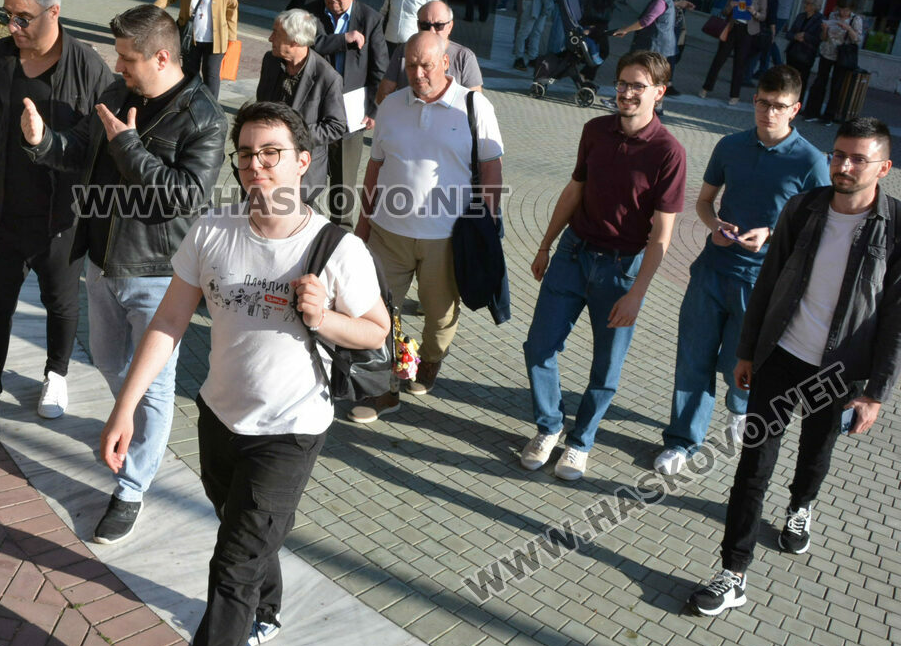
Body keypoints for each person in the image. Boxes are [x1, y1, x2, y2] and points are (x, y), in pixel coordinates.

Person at [99, 101, 389, 646]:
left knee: (232, 564)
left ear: (303, 161)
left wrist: (324, 318)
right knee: (244, 530)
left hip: (290, 429)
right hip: (219, 416)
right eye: (247, 154)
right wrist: (125, 408)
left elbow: (378, 330)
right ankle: (268, 609)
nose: (257, 165)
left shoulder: (337, 249)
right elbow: (168, 321)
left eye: (272, 153)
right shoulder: (212, 230)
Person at [22, 4, 226, 545]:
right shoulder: (118, 94)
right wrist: (42, 141)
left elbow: (182, 197)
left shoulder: (204, 117)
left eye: (128, 58)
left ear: (161, 58)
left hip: (159, 273)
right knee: (110, 362)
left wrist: (127, 145)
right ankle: (127, 419)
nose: (118, 67)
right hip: (101, 261)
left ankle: (131, 488)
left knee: (153, 385)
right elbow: (81, 150)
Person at [688, 117, 898, 618]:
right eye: (839, 155)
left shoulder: (896, 228)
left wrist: (876, 393)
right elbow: (768, 282)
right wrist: (746, 351)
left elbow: (895, 316)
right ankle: (734, 573)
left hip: (840, 369)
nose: (844, 166)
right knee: (753, 465)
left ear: (884, 168)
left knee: (815, 451)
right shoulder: (803, 208)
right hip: (781, 355)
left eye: (859, 159)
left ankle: (801, 506)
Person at [0, 0, 115, 446]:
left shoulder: (87, 66)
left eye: (23, 18)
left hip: (60, 218)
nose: (12, 27)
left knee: (61, 303)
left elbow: (103, 142)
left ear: (54, 12)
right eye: (7, 16)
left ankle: (56, 373)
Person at [654, 66, 829, 476]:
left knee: (742, 365)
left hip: (763, 284)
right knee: (693, 359)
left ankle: (739, 410)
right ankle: (682, 441)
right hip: (711, 272)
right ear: (754, 101)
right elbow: (704, 202)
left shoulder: (810, 161)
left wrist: (770, 235)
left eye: (780, 106)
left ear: (796, 109)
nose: (769, 113)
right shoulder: (730, 146)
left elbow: (818, 228)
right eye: (763, 103)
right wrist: (715, 225)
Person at [521, 51, 686, 481]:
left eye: (638, 86)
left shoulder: (669, 152)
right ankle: (549, 427)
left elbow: (662, 236)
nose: (626, 93)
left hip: (620, 271)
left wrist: (637, 294)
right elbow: (574, 190)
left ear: (659, 92)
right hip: (572, 255)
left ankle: (580, 443)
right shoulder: (595, 130)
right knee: (538, 347)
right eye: (623, 83)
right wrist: (545, 245)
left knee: (606, 368)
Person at [350, 32, 504, 423]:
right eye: (411, 65)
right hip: (388, 233)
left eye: (426, 65)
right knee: (378, 312)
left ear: (446, 63)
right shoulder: (390, 106)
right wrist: (362, 224)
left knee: (439, 314)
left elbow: (491, 169)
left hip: (447, 238)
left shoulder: (474, 106)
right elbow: (375, 168)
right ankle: (384, 389)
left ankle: (431, 359)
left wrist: (486, 228)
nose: (418, 74)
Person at [307, 0, 389, 226]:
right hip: (313, 110)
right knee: (306, 178)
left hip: (351, 114)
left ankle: (341, 232)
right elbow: (309, 44)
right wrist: (345, 39)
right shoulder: (310, 13)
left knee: (343, 184)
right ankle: (303, 228)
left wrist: (374, 109)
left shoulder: (370, 19)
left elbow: (379, 68)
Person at [257, 9, 346, 209]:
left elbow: (336, 126)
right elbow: (260, 103)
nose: (270, 38)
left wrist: (293, 135)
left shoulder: (327, 77)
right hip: (265, 164)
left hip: (302, 174)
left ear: (295, 41)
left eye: (276, 34)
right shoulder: (271, 60)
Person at [154, 0, 237, 101]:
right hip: (190, 36)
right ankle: (189, 103)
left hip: (216, 38)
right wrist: (154, 8)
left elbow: (232, 7)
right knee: (190, 72)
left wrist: (231, 37)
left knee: (211, 75)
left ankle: (210, 106)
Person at [375, 0, 482, 104]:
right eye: (425, 26)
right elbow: (384, 93)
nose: (432, 31)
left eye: (438, 26)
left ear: (450, 26)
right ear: (418, 25)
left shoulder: (464, 57)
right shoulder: (403, 51)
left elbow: (474, 102)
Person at [700, 0, 767, 105]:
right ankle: (706, 88)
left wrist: (754, 12)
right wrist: (730, 6)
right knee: (719, 59)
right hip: (732, 28)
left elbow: (763, 16)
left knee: (739, 63)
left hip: (747, 31)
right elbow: (725, 12)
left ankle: (734, 95)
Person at [802, 0, 863, 124]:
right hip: (827, 52)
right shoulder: (832, 16)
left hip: (842, 56)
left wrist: (848, 28)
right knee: (820, 82)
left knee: (837, 86)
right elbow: (824, 38)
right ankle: (812, 112)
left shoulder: (855, 19)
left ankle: (829, 116)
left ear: (851, 9)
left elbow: (857, 40)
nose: (843, 12)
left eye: (846, 10)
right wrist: (825, 30)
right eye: (841, 9)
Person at [612, 0, 676, 64]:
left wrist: (626, 30)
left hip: (655, 47)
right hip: (656, 46)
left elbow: (646, 21)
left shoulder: (661, 1)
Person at [757, 0, 799, 76]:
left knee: (767, 40)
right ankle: (775, 67)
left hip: (776, 12)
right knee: (770, 40)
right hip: (784, 12)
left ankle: (770, 67)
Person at [785, 0, 824, 106]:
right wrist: (795, 36)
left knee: (802, 80)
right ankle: (786, 99)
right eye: (805, 2)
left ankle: (797, 102)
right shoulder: (800, 16)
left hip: (806, 54)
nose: (805, 5)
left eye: (808, 3)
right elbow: (789, 33)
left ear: (814, 6)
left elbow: (819, 39)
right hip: (793, 50)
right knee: (789, 78)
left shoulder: (820, 20)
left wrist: (805, 36)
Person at [666, 0, 695, 89]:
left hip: (677, 21)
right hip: (666, 21)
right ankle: (665, 81)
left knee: (674, 52)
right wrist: (678, 3)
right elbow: (661, 2)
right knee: (665, 52)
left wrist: (686, 5)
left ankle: (668, 81)